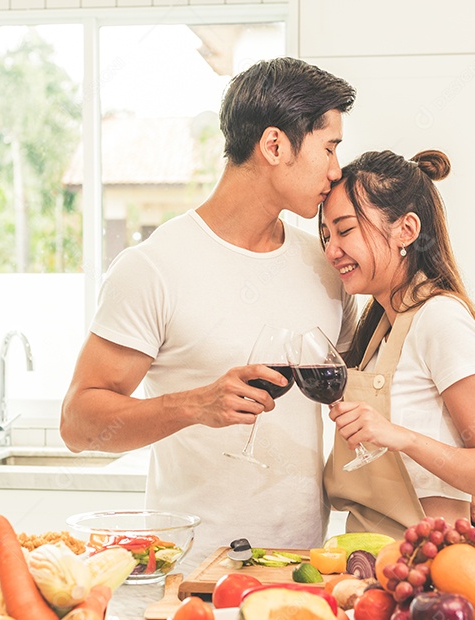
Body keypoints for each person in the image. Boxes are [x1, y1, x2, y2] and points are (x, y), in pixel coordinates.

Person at [60, 57, 357, 559]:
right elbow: (78, 425)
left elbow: (370, 395)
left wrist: (451, 487)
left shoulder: (325, 264)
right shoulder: (154, 268)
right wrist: (193, 405)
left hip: (303, 565)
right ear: (274, 145)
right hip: (190, 572)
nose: (336, 169)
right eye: (329, 148)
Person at [319, 149, 475, 538]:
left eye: (344, 230)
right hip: (367, 555)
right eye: (326, 235)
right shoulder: (377, 329)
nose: (330, 250)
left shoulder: (442, 319)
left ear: (406, 231)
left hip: (423, 568)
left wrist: (403, 438)